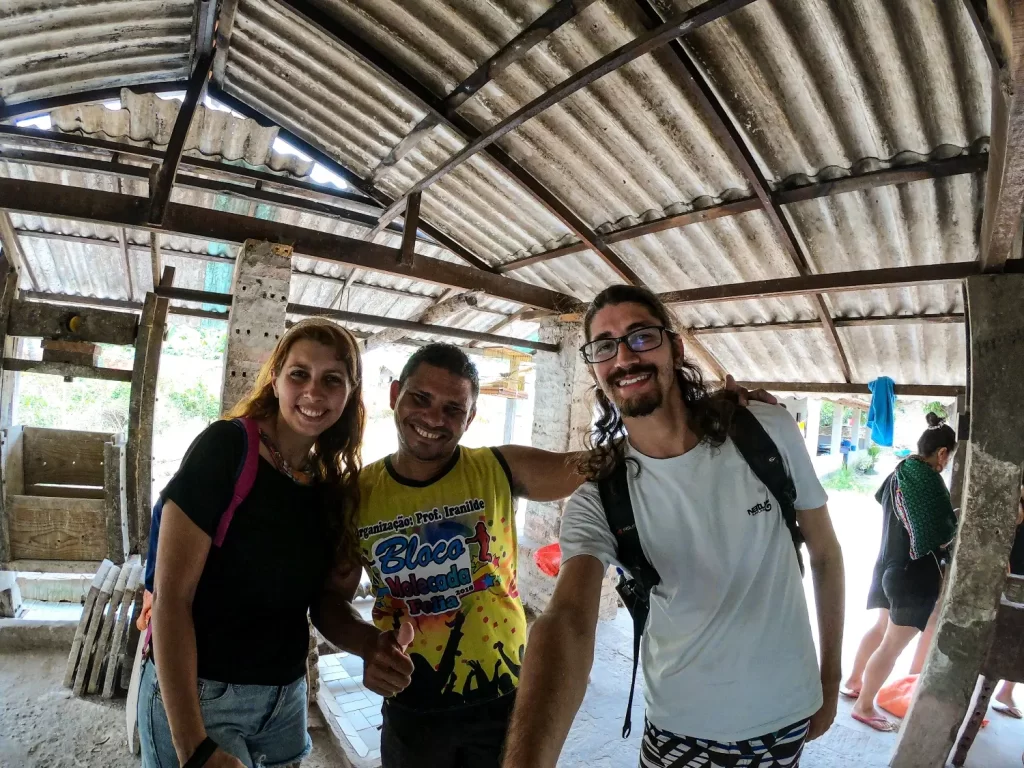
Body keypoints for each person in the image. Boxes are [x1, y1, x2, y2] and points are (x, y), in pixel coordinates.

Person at [501, 285, 845, 768]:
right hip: (679, 728)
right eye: (605, 345)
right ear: (596, 368)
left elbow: (826, 554)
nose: (624, 356)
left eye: (640, 336)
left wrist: (830, 677)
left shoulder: (765, 430)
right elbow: (568, 621)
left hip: (786, 712)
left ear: (675, 347)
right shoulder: (602, 494)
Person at [139, 319, 365, 768]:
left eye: (332, 380)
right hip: (202, 697)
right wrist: (194, 747)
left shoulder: (327, 485)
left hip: (285, 701)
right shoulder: (225, 449)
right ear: (277, 377)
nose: (314, 393)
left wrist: (372, 642)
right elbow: (171, 600)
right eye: (299, 373)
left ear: (350, 393)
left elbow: (325, 601)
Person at [846, 413, 958, 732]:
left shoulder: (902, 470)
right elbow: (937, 533)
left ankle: (854, 681)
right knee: (892, 645)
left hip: (888, 565)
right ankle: (864, 704)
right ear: (942, 453)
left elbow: (883, 499)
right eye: (948, 460)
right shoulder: (928, 479)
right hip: (911, 575)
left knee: (882, 630)